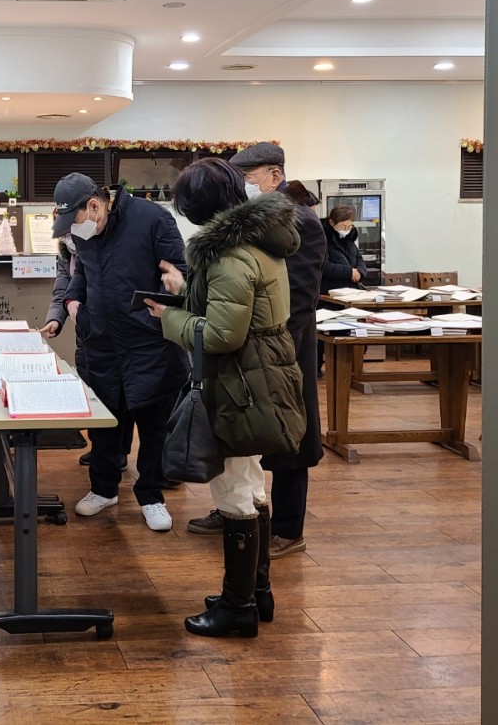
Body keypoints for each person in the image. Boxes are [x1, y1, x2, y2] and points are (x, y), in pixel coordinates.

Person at [144, 157, 305, 637]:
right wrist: (183, 292)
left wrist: (170, 318)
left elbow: (221, 335)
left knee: (233, 488)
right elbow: (237, 312)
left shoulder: (229, 255)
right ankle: (257, 592)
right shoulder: (260, 241)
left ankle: (237, 609)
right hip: (260, 376)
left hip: (239, 382)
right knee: (250, 483)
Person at [186, 142, 326, 563]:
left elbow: (296, 299)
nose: (242, 185)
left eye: (247, 177)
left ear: (274, 175)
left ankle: (287, 529)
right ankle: (239, 509)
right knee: (243, 432)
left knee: (287, 439)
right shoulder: (252, 220)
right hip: (248, 348)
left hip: (283, 350)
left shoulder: (298, 221)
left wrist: (264, 347)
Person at [52, 172, 189, 532]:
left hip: (150, 344)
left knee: (154, 427)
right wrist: (73, 303)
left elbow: (181, 270)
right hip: (102, 345)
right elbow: (82, 275)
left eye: (75, 220)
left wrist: (177, 285)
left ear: (94, 206)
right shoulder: (86, 234)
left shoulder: (152, 219)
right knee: (105, 427)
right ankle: (103, 489)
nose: (74, 230)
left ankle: (152, 496)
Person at [41, 233, 126, 471]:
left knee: (116, 396)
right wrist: (55, 319)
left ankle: (117, 452)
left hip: (110, 331)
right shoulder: (66, 254)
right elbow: (62, 292)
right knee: (93, 390)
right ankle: (100, 449)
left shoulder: (103, 246)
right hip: (85, 332)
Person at [318, 205, 369, 374]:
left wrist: (360, 272)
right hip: (328, 293)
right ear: (332, 223)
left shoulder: (350, 239)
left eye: (349, 226)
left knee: (355, 327)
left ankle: (351, 368)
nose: (346, 230)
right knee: (327, 332)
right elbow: (323, 265)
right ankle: (326, 367)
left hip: (350, 294)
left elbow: (359, 260)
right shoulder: (322, 238)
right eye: (342, 226)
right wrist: (348, 272)